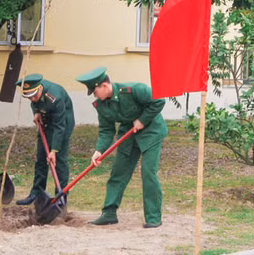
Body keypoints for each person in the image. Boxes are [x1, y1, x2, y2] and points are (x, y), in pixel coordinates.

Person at [77, 67, 167, 228]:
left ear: (104, 86)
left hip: (152, 132)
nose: (94, 95)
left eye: (95, 91)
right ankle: (109, 213)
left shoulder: (133, 90)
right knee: (118, 172)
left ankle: (153, 217)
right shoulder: (101, 105)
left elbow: (158, 100)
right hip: (129, 134)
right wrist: (99, 151)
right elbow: (106, 130)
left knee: (148, 172)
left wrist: (142, 120)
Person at [14, 73, 75, 206]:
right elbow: (35, 102)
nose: (32, 99)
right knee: (40, 159)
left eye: (34, 95)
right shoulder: (34, 95)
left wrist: (53, 151)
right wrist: (36, 112)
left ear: (40, 88)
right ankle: (36, 193)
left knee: (59, 161)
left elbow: (60, 126)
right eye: (29, 97)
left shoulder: (55, 98)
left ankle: (61, 196)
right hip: (46, 121)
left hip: (62, 124)